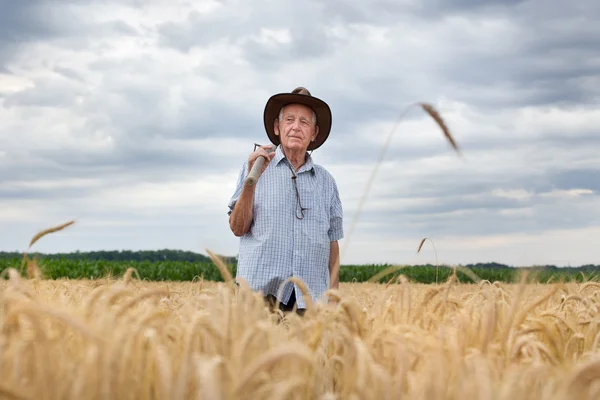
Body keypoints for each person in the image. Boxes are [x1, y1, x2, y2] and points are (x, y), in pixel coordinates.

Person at [227, 87, 344, 315]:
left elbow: (332, 244)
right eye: (289, 120)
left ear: (314, 133)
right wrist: (251, 183)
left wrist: (334, 297)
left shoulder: (326, 182)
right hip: (258, 299)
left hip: (309, 304)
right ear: (277, 128)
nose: (296, 127)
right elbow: (238, 227)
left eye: (304, 122)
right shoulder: (254, 167)